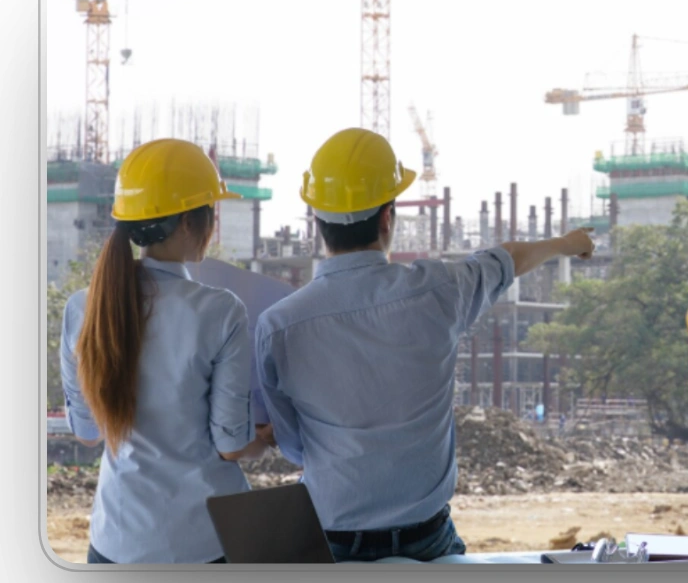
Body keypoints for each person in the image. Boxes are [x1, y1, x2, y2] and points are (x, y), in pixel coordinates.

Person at [256, 128, 594, 563]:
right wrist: (568, 244)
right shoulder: (440, 289)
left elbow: (294, 447)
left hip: (333, 540)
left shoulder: (278, 326)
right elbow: (507, 259)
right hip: (428, 540)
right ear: (387, 217)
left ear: (316, 221)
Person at [59, 139, 272, 564]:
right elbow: (230, 445)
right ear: (190, 225)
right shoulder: (220, 310)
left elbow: (87, 432)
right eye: (212, 213)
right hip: (206, 544)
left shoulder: (84, 306)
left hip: (116, 542)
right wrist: (263, 441)